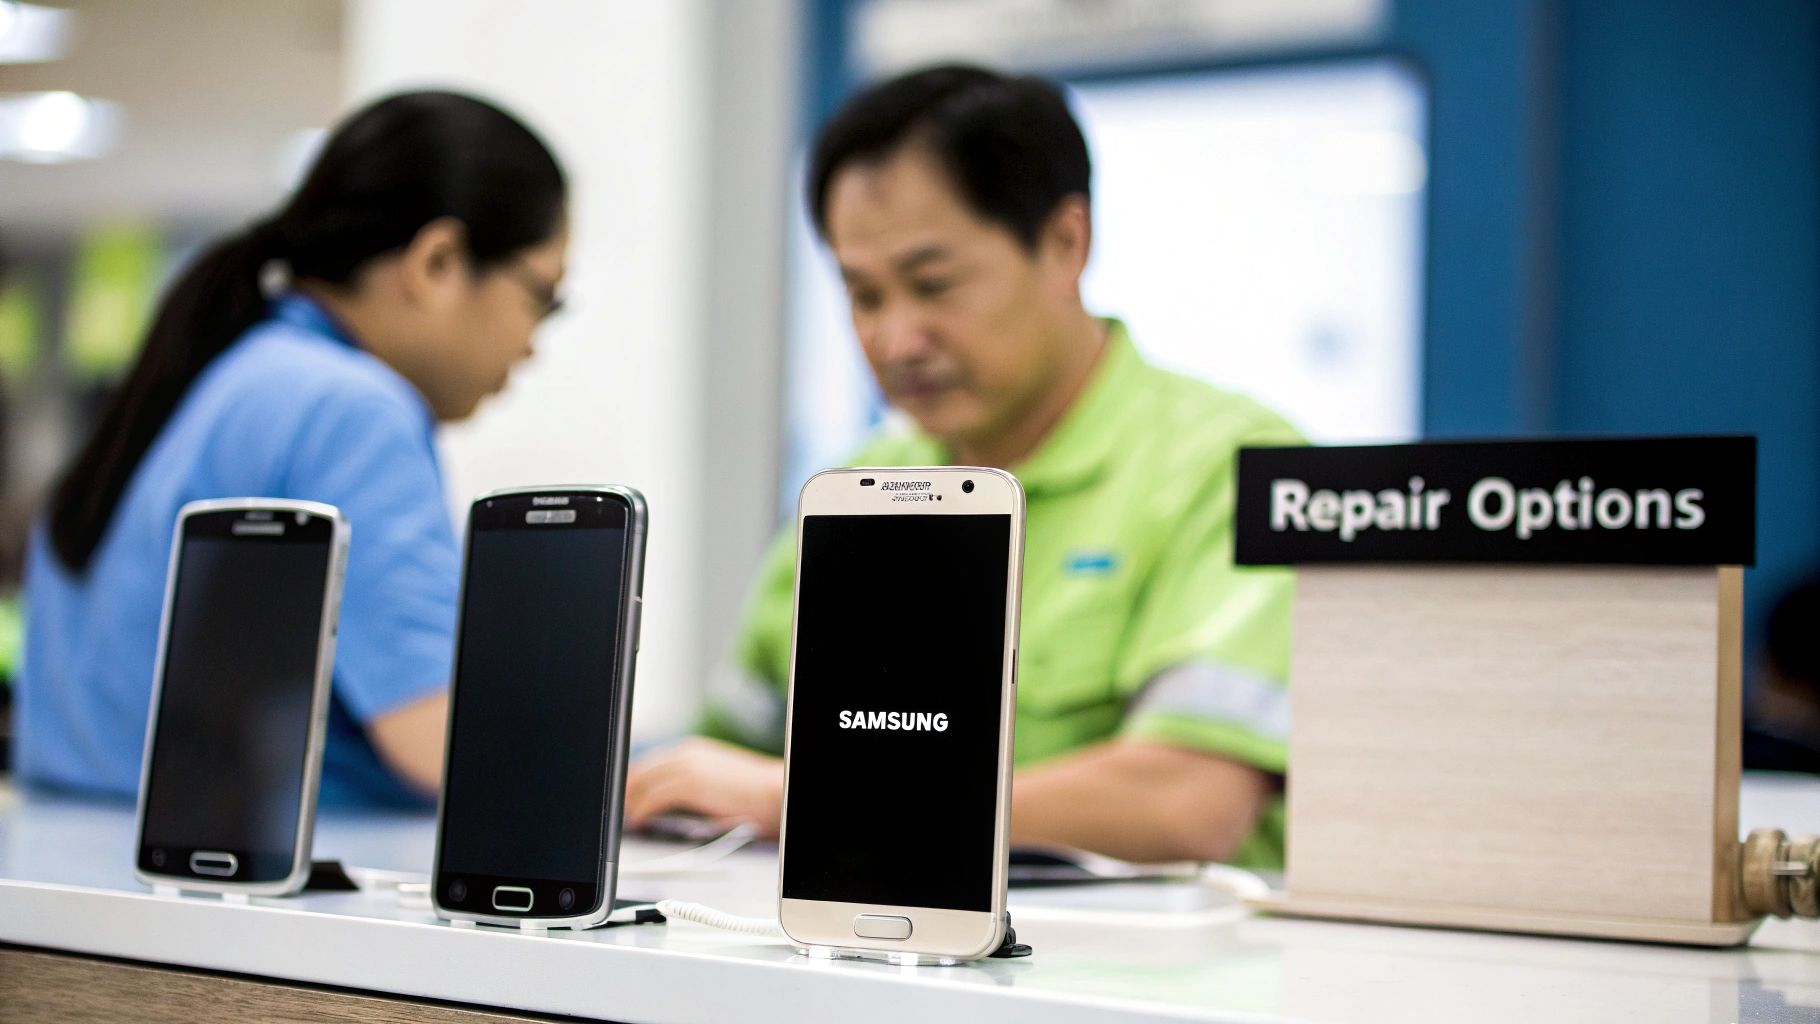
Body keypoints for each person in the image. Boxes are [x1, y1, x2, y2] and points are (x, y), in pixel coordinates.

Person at [626, 65, 1302, 867]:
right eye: (863, 295)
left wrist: (800, 796)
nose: (896, 338)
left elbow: (1185, 803)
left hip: (1147, 977)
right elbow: (712, 769)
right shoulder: (851, 494)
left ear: (1065, 243)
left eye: (933, 284)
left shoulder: (1235, 470)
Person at [18, 91, 568, 806]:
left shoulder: (212, 372)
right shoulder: (351, 409)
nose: (533, 344)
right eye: (544, 298)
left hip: (64, 882)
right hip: (256, 903)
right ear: (438, 262)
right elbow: (446, 746)